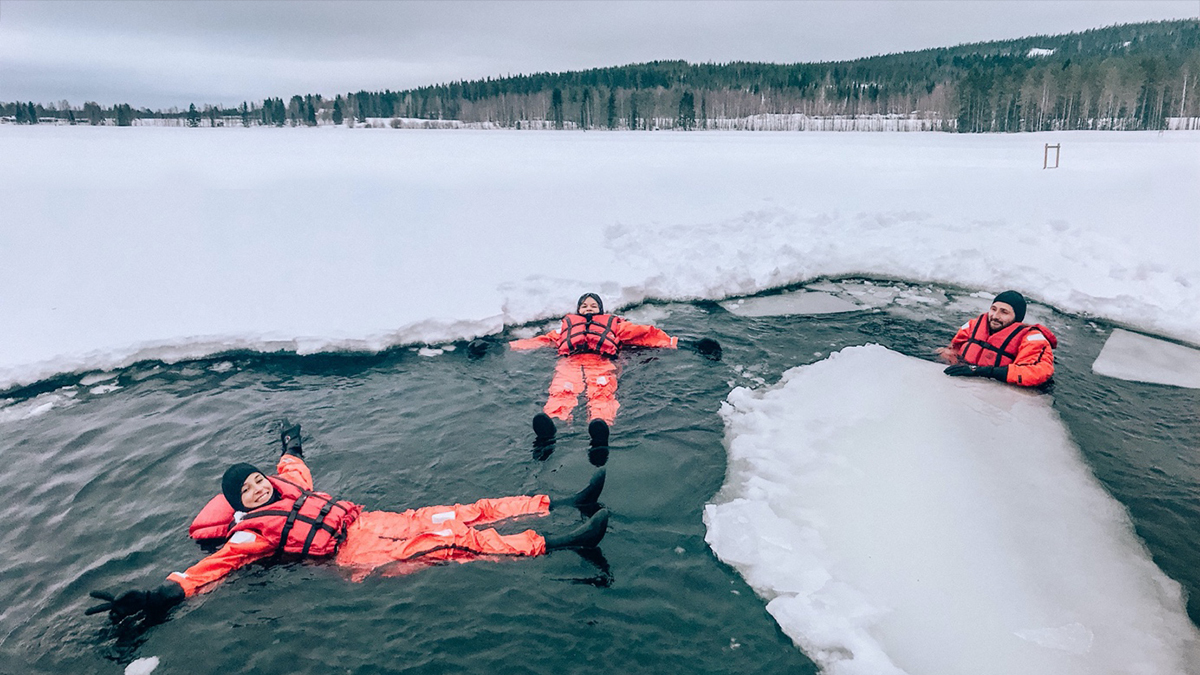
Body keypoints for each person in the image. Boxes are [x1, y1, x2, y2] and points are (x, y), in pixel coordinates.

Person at [85, 423, 609, 623]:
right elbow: (211, 570)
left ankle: (561, 501)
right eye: (246, 491)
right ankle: (563, 544)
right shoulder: (251, 533)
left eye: (257, 480)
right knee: (449, 543)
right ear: (238, 504)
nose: (258, 487)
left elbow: (293, 463)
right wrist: (158, 595)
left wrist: (290, 442)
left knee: (466, 510)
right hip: (354, 556)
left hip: (374, 521)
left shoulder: (289, 484)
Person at [508, 293, 721, 445]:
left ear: (601, 309)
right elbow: (540, 340)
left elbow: (647, 334)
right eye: (584, 305)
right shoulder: (565, 327)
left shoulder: (615, 325)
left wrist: (684, 343)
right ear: (578, 309)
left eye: (593, 305)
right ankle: (552, 422)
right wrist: (502, 347)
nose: (588, 308)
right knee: (562, 390)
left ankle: (600, 424)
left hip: (601, 361)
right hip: (570, 362)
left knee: (601, 392)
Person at [937, 290, 1057, 387]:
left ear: (1017, 318)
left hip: (1000, 391)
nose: (995, 316)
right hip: (965, 382)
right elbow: (955, 347)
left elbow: (1038, 372)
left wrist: (982, 371)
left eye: (1004, 312)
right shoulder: (973, 326)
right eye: (993, 309)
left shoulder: (1032, 339)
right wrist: (949, 356)